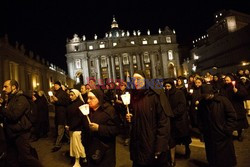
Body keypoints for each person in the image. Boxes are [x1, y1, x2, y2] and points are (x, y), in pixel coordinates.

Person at [126, 70, 173, 167]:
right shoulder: (135, 96)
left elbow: (163, 122)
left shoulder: (155, 95)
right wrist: (131, 118)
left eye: (138, 79)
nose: (135, 82)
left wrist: (160, 146)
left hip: (153, 145)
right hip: (138, 144)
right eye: (133, 79)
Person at [0, 80, 42, 167]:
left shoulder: (21, 99)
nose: (3, 89)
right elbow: (6, 115)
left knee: (25, 157)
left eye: (5, 86)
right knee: (11, 158)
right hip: (11, 133)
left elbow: (14, 115)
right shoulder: (10, 99)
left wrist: (0, 107)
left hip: (21, 133)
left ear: (14, 87)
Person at [197, 84, 237, 167]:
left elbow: (232, 116)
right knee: (212, 156)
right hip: (209, 134)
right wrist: (202, 129)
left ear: (211, 93)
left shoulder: (222, 101)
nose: (205, 97)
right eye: (203, 95)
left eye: (206, 95)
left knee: (224, 157)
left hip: (222, 134)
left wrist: (227, 129)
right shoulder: (202, 103)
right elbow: (199, 117)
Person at [85, 89, 120, 167]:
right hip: (90, 149)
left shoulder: (109, 111)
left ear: (99, 98)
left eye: (91, 98)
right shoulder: (87, 111)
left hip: (105, 152)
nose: (88, 100)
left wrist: (99, 128)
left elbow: (116, 129)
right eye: (88, 98)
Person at [164, 79, 191, 166]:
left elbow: (182, 105)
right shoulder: (165, 94)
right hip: (171, 120)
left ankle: (187, 149)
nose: (167, 88)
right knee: (172, 139)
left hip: (180, 120)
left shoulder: (178, 93)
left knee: (184, 137)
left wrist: (173, 113)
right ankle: (172, 159)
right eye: (166, 86)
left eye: (169, 86)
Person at [65, 89, 87, 167]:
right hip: (72, 128)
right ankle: (81, 159)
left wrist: (71, 126)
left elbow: (80, 118)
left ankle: (78, 161)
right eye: (70, 95)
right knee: (74, 145)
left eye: (72, 95)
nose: (70, 96)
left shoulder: (80, 104)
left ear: (77, 95)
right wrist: (67, 124)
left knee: (77, 145)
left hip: (77, 128)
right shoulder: (71, 103)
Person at [50, 81, 70, 152]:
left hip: (62, 113)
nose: (55, 86)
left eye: (56, 85)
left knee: (60, 128)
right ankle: (68, 140)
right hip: (58, 113)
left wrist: (57, 100)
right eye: (54, 85)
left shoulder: (63, 93)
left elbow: (66, 102)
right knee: (62, 129)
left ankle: (57, 144)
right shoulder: (57, 92)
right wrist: (52, 101)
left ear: (59, 86)